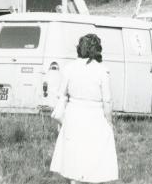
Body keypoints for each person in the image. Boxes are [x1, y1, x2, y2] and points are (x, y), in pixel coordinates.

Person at [50, 33, 118, 184]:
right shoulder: (102, 70)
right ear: (97, 49)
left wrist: (61, 118)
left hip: (73, 115)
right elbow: (107, 100)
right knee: (93, 157)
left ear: (80, 48)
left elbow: (61, 95)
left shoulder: (69, 68)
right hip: (94, 117)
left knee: (73, 156)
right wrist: (109, 122)